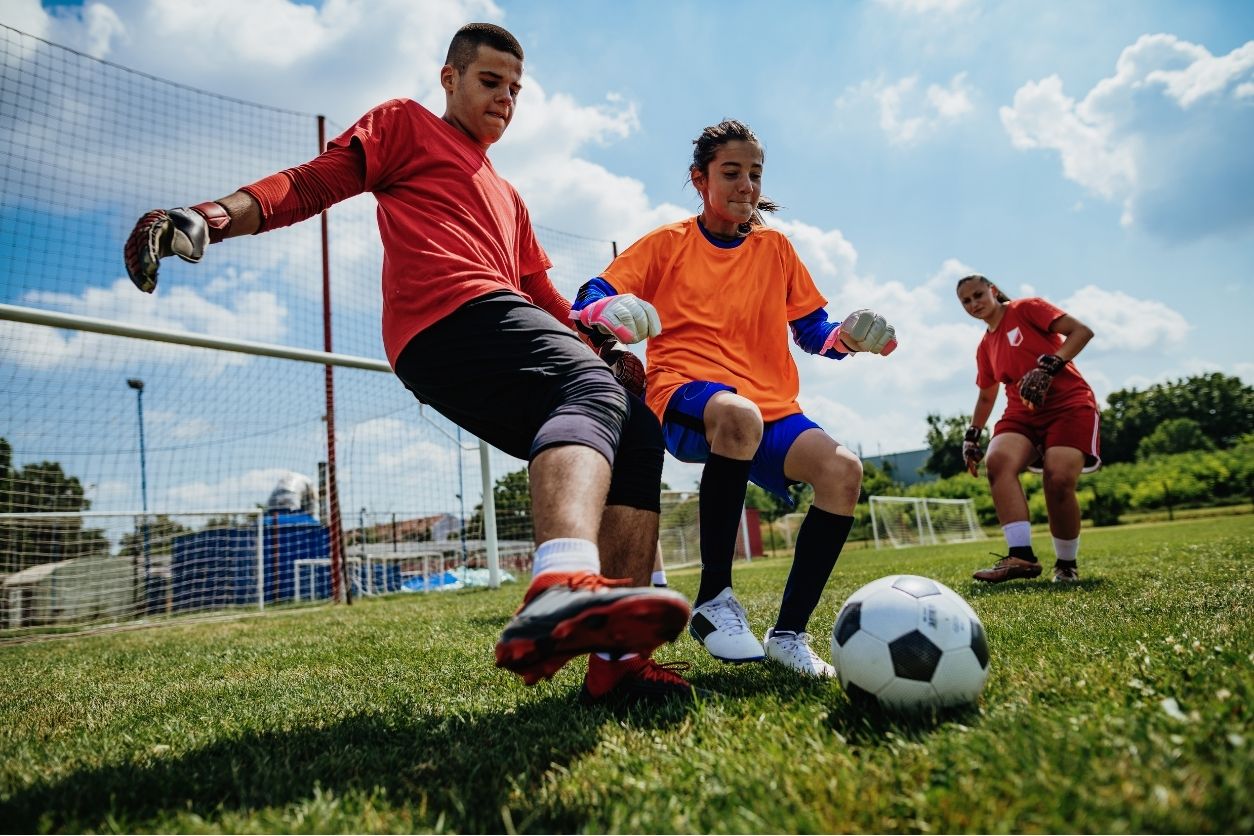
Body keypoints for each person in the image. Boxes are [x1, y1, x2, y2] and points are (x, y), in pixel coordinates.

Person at [122, 23, 696, 704]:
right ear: (449, 77)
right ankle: (561, 581)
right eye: (490, 82)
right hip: (444, 320)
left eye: (516, 90)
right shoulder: (406, 124)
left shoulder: (509, 196)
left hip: (497, 320)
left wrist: (597, 338)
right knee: (589, 388)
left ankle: (619, 666)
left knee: (636, 433)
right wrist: (210, 216)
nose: (505, 100)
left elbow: (541, 296)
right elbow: (310, 184)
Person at [569, 119, 896, 678]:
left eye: (754, 174)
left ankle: (789, 634)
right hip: (685, 394)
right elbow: (594, 292)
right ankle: (714, 600)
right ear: (700, 180)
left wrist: (850, 337)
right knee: (738, 416)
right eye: (731, 173)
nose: (745, 185)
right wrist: (602, 313)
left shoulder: (776, 249)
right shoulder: (668, 244)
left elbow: (814, 331)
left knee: (843, 471)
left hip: (771, 407)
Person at [956, 274, 1099, 584]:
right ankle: (1021, 555)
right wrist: (972, 435)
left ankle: (1066, 563)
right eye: (966, 301)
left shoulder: (1027, 308)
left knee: (1057, 478)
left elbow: (1082, 331)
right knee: (998, 461)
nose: (974, 303)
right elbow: (986, 394)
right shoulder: (985, 346)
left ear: (993, 291)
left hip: (1068, 405)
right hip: (1021, 412)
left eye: (978, 294)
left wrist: (1050, 365)